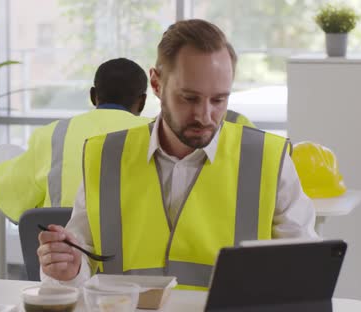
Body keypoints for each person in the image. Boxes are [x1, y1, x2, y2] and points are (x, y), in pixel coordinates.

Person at [37, 19, 317, 289]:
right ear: (157, 85)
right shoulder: (106, 156)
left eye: (219, 99)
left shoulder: (269, 160)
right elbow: (77, 259)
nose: (205, 116)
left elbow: (304, 272)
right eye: (189, 98)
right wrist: (68, 269)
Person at [0, 58, 152, 222]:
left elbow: (9, 192)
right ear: (143, 101)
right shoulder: (157, 135)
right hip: (134, 245)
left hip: (62, 242)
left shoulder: (53, 134)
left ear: (93, 95)